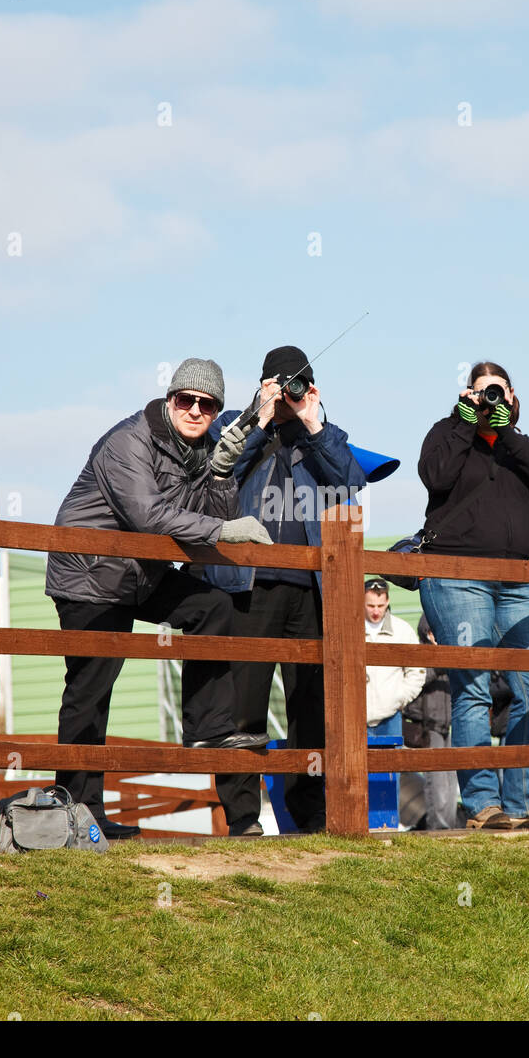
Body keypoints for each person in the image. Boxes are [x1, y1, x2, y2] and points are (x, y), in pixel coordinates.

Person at [45, 358, 274, 839]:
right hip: (90, 575)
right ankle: (76, 816)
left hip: (138, 574)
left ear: (216, 411)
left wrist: (223, 472)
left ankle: (207, 727)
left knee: (210, 606)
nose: (195, 410)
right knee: (90, 691)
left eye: (207, 404)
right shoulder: (127, 441)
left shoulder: (206, 447)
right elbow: (149, 516)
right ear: (170, 400)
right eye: (186, 400)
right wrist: (223, 527)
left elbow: (214, 518)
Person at [203, 347, 365, 836]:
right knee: (243, 707)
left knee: (312, 709)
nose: (290, 394)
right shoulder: (237, 423)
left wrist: (314, 424)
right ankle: (244, 819)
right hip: (249, 585)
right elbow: (221, 469)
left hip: (313, 590)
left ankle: (311, 814)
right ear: (264, 383)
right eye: (282, 384)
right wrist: (261, 414)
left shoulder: (323, 436)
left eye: (299, 386)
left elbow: (349, 485)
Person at [416, 361, 529, 830]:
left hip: (514, 580)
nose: (491, 401)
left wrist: (507, 434)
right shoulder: (446, 432)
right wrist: (466, 421)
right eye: (483, 392)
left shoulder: (517, 444)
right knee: (474, 688)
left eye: (498, 392)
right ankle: (483, 803)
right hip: (456, 575)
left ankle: (524, 801)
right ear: (467, 394)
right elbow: (436, 476)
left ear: (512, 396)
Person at [400, 615, 462, 830]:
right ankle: (438, 827)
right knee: (436, 783)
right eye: (434, 632)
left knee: (450, 782)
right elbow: (415, 680)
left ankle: (449, 825)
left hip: (446, 725)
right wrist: (438, 666)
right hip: (429, 726)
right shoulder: (421, 653)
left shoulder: (446, 653)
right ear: (427, 633)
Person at [364, 579, 426, 740]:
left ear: (388, 601)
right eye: (371, 606)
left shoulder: (403, 630)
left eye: (380, 605)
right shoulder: (349, 630)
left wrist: (399, 698)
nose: (376, 611)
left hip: (391, 717)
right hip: (354, 717)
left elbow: (417, 671)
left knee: (392, 764)